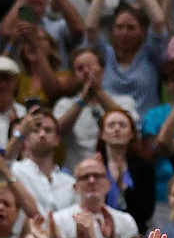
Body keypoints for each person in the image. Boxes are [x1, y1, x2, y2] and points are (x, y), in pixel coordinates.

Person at [53, 45, 139, 174]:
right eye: (80, 69)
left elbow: (129, 123)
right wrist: (82, 101)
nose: (86, 72)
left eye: (90, 66)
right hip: (76, 173)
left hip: (115, 173)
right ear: (74, 75)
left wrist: (98, 92)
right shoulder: (65, 104)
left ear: (102, 71)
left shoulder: (124, 101)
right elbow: (55, 132)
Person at [52, 155, 138, 238]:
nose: (92, 181)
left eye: (97, 176)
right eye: (85, 177)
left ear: (109, 184)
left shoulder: (126, 220)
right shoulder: (59, 219)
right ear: (75, 187)